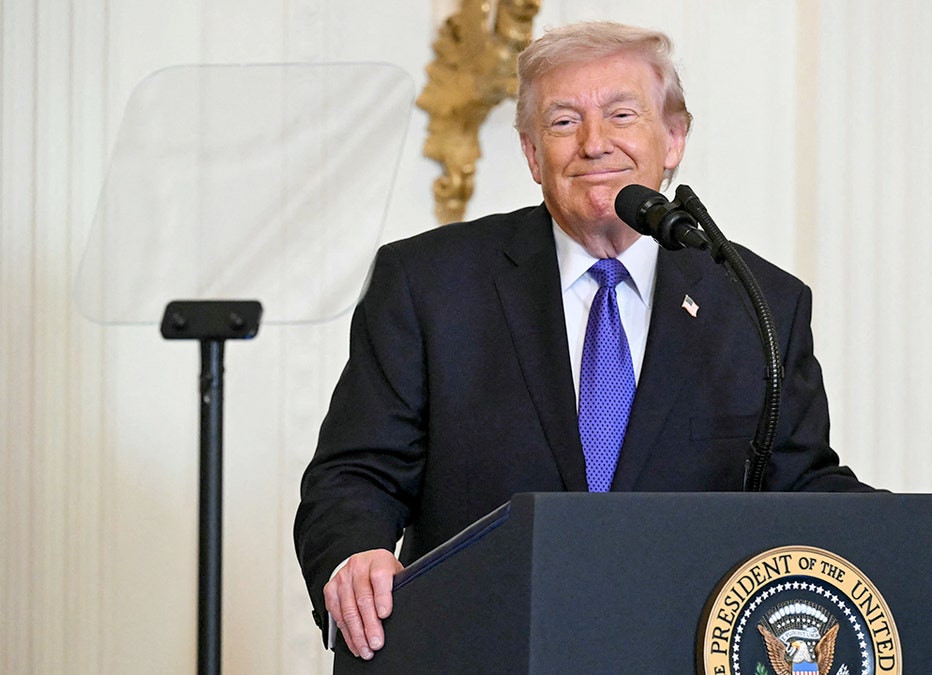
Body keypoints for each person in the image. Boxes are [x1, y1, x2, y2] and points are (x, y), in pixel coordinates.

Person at [293, 20, 871, 662]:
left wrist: (914, 540)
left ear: (673, 138)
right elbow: (355, 475)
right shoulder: (428, 283)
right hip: (482, 647)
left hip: (679, 649)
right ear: (534, 155)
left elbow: (798, 486)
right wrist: (355, 551)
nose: (595, 144)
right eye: (564, 122)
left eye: (622, 115)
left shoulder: (757, 301)